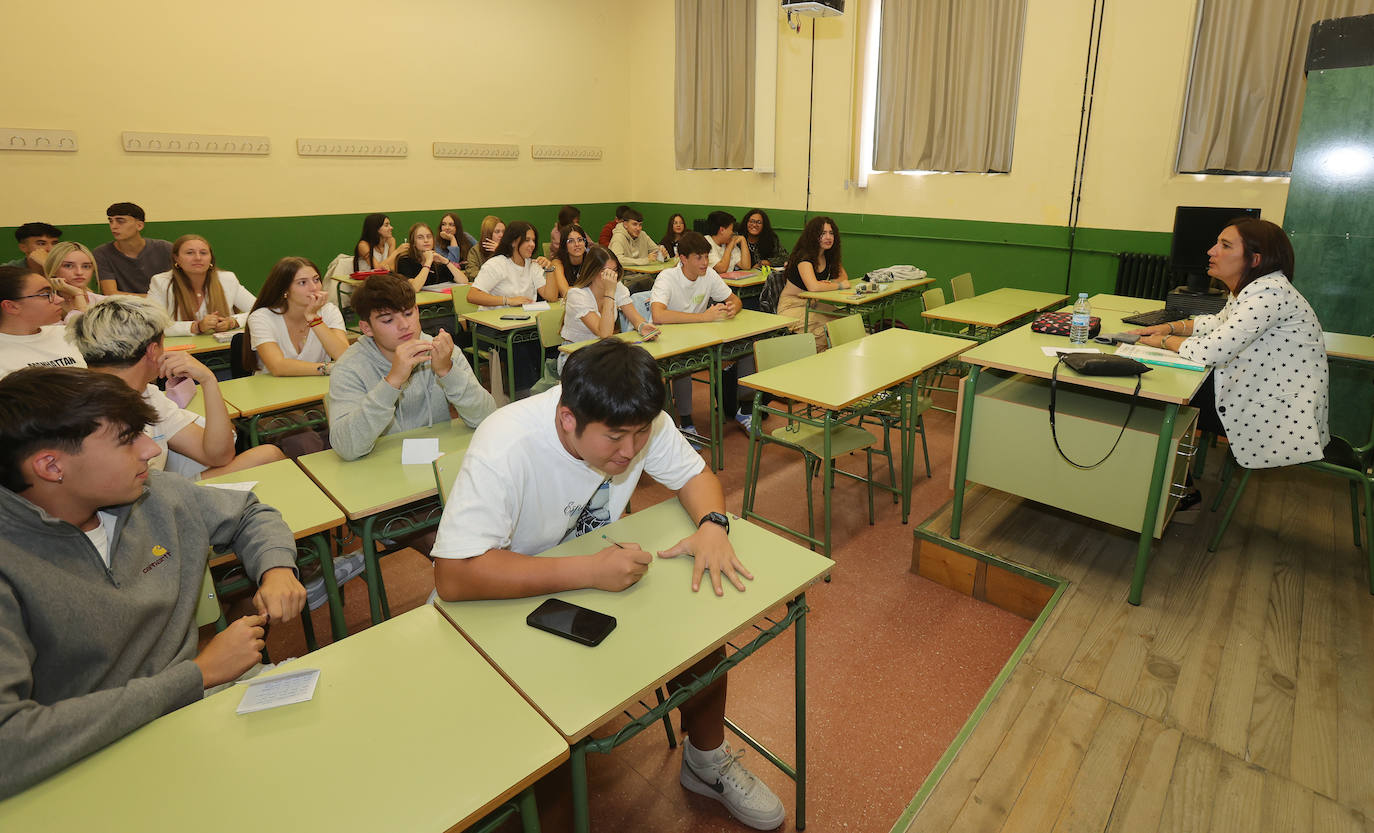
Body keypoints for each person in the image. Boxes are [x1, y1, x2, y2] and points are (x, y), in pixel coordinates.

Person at [430, 338, 784, 832]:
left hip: (589, 581)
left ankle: (707, 761)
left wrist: (713, 525)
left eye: (641, 435)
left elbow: (696, 476)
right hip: (496, 600)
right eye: (615, 438)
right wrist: (589, 572)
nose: (630, 451)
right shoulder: (505, 443)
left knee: (698, 635)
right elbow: (453, 577)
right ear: (567, 419)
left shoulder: (635, 420)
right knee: (529, 772)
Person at [0, 366, 305, 800]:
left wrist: (275, 568)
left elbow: (250, 513)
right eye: (127, 439)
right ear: (51, 465)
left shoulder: (151, 493)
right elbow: (9, 747)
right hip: (87, 762)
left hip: (191, 715)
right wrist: (197, 674)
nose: (149, 449)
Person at [1128, 217, 1329, 471]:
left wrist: (1163, 341)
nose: (1211, 251)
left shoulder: (1269, 293)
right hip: (1256, 388)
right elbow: (1218, 322)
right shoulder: (1254, 288)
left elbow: (1213, 349)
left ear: (1255, 259)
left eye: (1225, 245)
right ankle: (1172, 477)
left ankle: (1173, 482)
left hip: (1274, 409)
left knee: (1159, 399)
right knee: (1167, 386)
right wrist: (1170, 327)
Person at [69, 296, 285, 480]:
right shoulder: (95, 410)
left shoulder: (146, 394)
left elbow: (218, 456)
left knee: (269, 455)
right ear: (154, 351)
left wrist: (208, 381)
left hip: (157, 491)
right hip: (140, 504)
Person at [326, 273, 495, 461]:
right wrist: (392, 382)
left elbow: (486, 419)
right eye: (388, 320)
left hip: (438, 463)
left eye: (408, 313)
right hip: (380, 474)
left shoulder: (442, 351)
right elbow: (346, 447)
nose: (404, 325)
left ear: (417, 309)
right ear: (366, 328)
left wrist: (448, 371)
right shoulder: (349, 367)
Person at [650, 232, 754, 435]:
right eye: (699, 257)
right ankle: (686, 424)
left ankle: (746, 411)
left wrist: (734, 308)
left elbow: (735, 299)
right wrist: (702, 318)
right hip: (668, 340)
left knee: (747, 347)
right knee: (682, 366)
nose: (705, 262)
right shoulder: (667, 277)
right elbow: (658, 314)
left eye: (706, 256)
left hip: (699, 336)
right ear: (683, 258)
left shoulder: (709, 275)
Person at [243, 256, 350, 376]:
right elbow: (278, 367)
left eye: (316, 280)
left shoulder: (329, 311)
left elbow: (344, 357)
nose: (314, 288)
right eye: (302, 283)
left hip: (317, 388)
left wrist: (314, 319)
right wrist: (327, 368)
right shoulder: (261, 317)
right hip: (273, 391)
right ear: (285, 290)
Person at [560, 246, 655, 372]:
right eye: (607, 272)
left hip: (603, 353)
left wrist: (642, 326)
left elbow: (635, 318)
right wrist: (609, 292)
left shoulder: (617, 286)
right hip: (576, 357)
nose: (612, 276)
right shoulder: (577, 295)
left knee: (644, 368)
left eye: (615, 271)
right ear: (593, 271)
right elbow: (604, 333)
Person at [147, 234, 256, 337]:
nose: (198, 258)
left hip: (222, 349)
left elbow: (260, 310)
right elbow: (152, 324)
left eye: (203, 253)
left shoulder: (227, 279)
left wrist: (233, 322)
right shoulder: (161, 282)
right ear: (176, 258)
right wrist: (196, 327)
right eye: (190, 253)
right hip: (181, 352)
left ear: (211, 259)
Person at [775, 216, 850, 350]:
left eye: (831, 233)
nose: (828, 237)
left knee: (847, 321)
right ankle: (814, 360)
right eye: (823, 233)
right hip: (792, 306)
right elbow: (814, 287)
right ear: (813, 236)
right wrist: (837, 286)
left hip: (813, 304)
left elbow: (843, 277)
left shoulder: (828, 255)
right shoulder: (804, 257)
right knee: (828, 329)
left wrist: (827, 284)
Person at [0, 266, 86, 377]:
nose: (60, 299)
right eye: (46, 295)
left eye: (54, 293)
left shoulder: (65, 333)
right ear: (11, 306)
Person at [93, 202, 173, 295]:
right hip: (122, 308)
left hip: (163, 308)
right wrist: (156, 299)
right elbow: (111, 293)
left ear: (139, 225)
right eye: (111, 221)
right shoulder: (102, 253)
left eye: (120, 221)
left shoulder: (165, 248)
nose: (113, 226)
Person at [393, 222, 467, 291]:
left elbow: (463, 281)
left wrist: (445, 261)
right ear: (413, 242)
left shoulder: (437, 261)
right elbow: (415, 288)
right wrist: (428, 262)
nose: (426, 240)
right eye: (420, 237)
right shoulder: (404, 260)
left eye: (429, 237)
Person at [43, 241, 104, 322]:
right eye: (68, 266)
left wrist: (78, 294)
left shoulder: (104, 303)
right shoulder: (42, 304)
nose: (79, 272)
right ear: (53, 269)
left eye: (86, 266)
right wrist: (78, 294)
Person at [552, 224, 592, 299]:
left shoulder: (591, 260)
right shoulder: (557, 263)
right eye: (571, 241)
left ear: (585, 243)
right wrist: (588, 291)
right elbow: (565, 292)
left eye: (580, 240)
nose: (577, 244)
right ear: (564, 245)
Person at [464, 215, 504, 281]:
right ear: (488, 233)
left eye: (503, 231)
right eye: (497, 232)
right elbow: (471, 273)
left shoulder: (510, 249)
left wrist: (500, 251)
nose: (501, 235)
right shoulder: (475, 250)